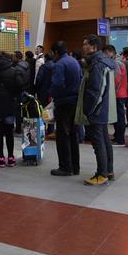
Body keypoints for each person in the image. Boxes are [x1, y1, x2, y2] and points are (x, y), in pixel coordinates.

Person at [79, 35, 116, 185]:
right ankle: (108, 170)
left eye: (86, 44)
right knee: (105, 140)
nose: (83, 47)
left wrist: (89, 109)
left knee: (98, 142)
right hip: (103, 109)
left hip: (97, 109)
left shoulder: (98, 64)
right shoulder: (103, 61)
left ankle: (101, 174)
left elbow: (96, 89)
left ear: (93, 46)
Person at [0, 51, 25, 168]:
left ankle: (1, 158)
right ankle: (11, 157)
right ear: (8, 59)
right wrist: (14, 95)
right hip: (9, 105)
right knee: (9, 133)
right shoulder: (13, 71)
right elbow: (21, 85)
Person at [49, 41, 82, 177]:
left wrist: (54, 98)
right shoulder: (74, 61)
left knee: (62, 135)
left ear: (56, 52)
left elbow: (57, 85)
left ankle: (65, 167)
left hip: (63, 103)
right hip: (75, 102)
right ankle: (75, 167)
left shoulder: (59, 65)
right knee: (73, 135)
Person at [104, 45, 128, 146]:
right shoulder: (120, 62)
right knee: (119, 116)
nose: (104, 55)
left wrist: (111, 91)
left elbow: (117, 79)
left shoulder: (115, 63)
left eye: (105, 53)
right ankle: (117, 136)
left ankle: (120, 139)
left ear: (111, 52)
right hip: (121, 93)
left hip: (117, 94)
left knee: (118, 117)